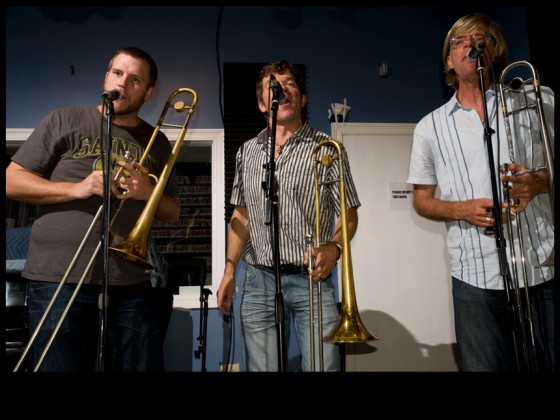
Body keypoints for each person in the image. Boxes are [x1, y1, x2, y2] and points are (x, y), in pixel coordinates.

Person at [5, 46, 181, 372]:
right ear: (106, 76)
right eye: (117, 73)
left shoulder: (157, 141)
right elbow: (11, 182)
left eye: (135, 80)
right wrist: (78, 188)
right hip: (57, 279)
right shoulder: (63, 120)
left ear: (149, 92)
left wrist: (148, 192)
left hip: (130, 283)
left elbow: (172, 212)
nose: (122, 84)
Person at [407, 13, 554, 372]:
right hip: (474, 276)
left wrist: (541, 181)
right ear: (449, 61)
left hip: (541, 266)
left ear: (494, 51)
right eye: (461, 40)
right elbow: (421, 200)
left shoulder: (536, 99)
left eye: (481, 39)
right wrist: (462, 210)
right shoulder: (430, 127)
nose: (472, 44)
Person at [216, 60, 361, 372]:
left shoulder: (328, 148)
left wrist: (334, 249)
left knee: (322, 368)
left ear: (303, 99)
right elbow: (240, 216)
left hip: (312, 280)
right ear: (261, 104)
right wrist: (229, 271)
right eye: (273, 86)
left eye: (289, 84)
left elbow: (349, 214)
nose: (281, 90)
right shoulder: (246, 152)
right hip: (258, 279)